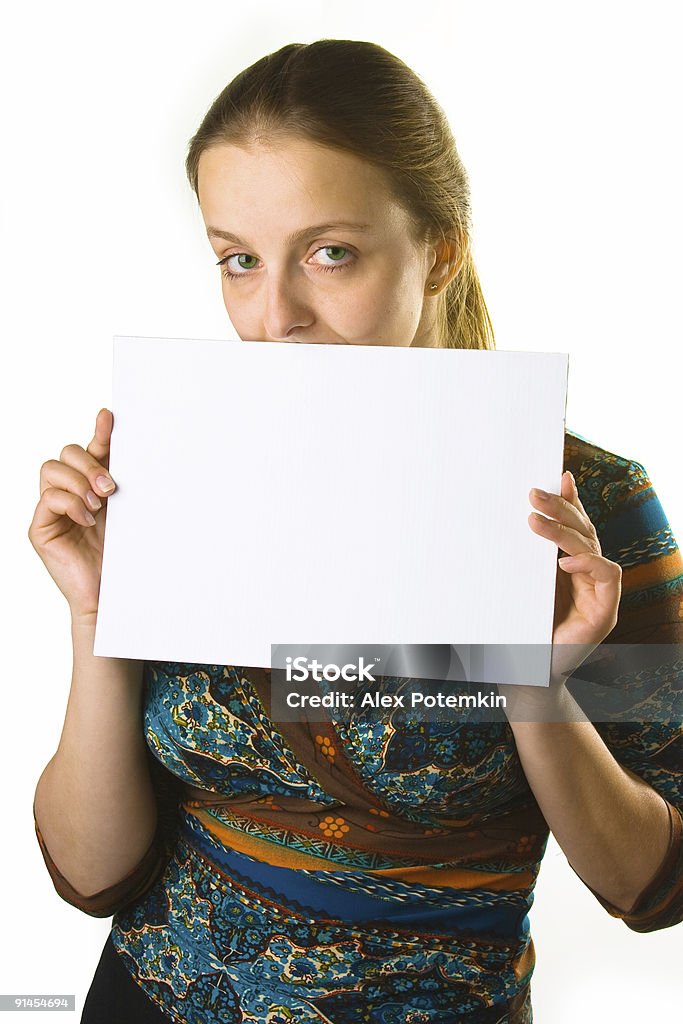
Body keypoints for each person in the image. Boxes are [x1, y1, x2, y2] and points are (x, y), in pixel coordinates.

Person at [28, 39, 681, 1024]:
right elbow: (88, 876)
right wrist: (94, 616)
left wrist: (529, 675)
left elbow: (652, 888)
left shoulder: (587, 508)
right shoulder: (176, 478)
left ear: (440, 247)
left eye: (329, 252)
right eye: (239, 260)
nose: (276, 313)